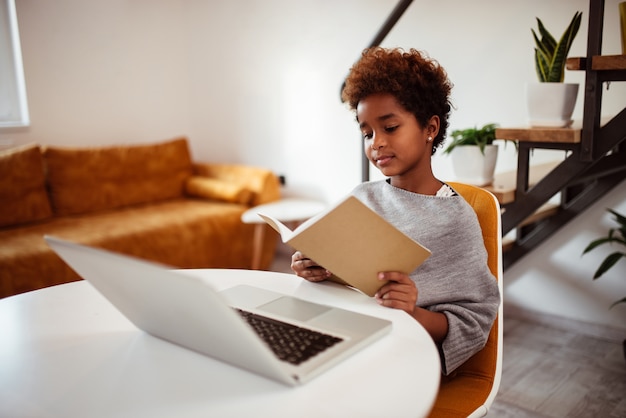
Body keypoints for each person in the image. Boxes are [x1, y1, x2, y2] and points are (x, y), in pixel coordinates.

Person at [291, 47, 500, 375]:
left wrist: (412, 311)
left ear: (430, 128)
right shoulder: (361, 197)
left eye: (389, 128)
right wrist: (314, 265)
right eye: (367, 132)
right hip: (346, 336)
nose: (376, 143)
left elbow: (473, 322)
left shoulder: (455, 219)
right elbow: (344, 278)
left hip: (404, 359)